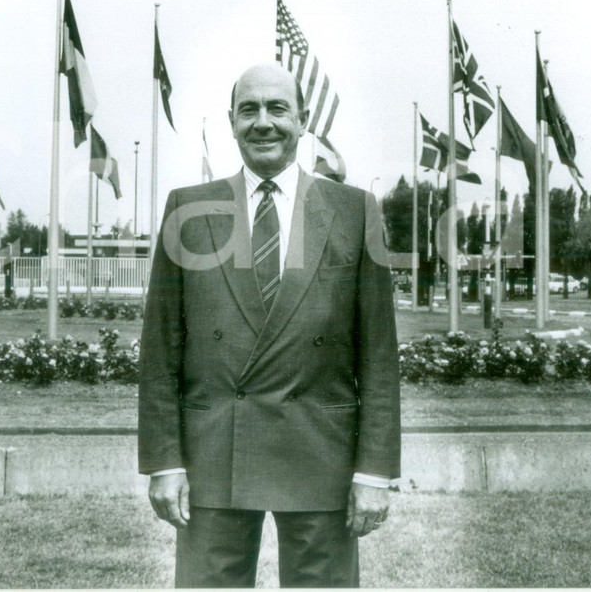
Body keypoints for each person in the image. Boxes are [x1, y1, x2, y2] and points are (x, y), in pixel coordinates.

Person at [138, 62, 401, 588]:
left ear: (302, 120)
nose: (263, 122)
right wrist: (164, 463)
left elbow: (378, 356)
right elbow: (160, 352)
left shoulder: (355, 211)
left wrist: (374, 470)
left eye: (278, 108)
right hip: (214, 453)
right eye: (249, 110)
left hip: (321, 451)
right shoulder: (188, 209)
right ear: (231, 122)